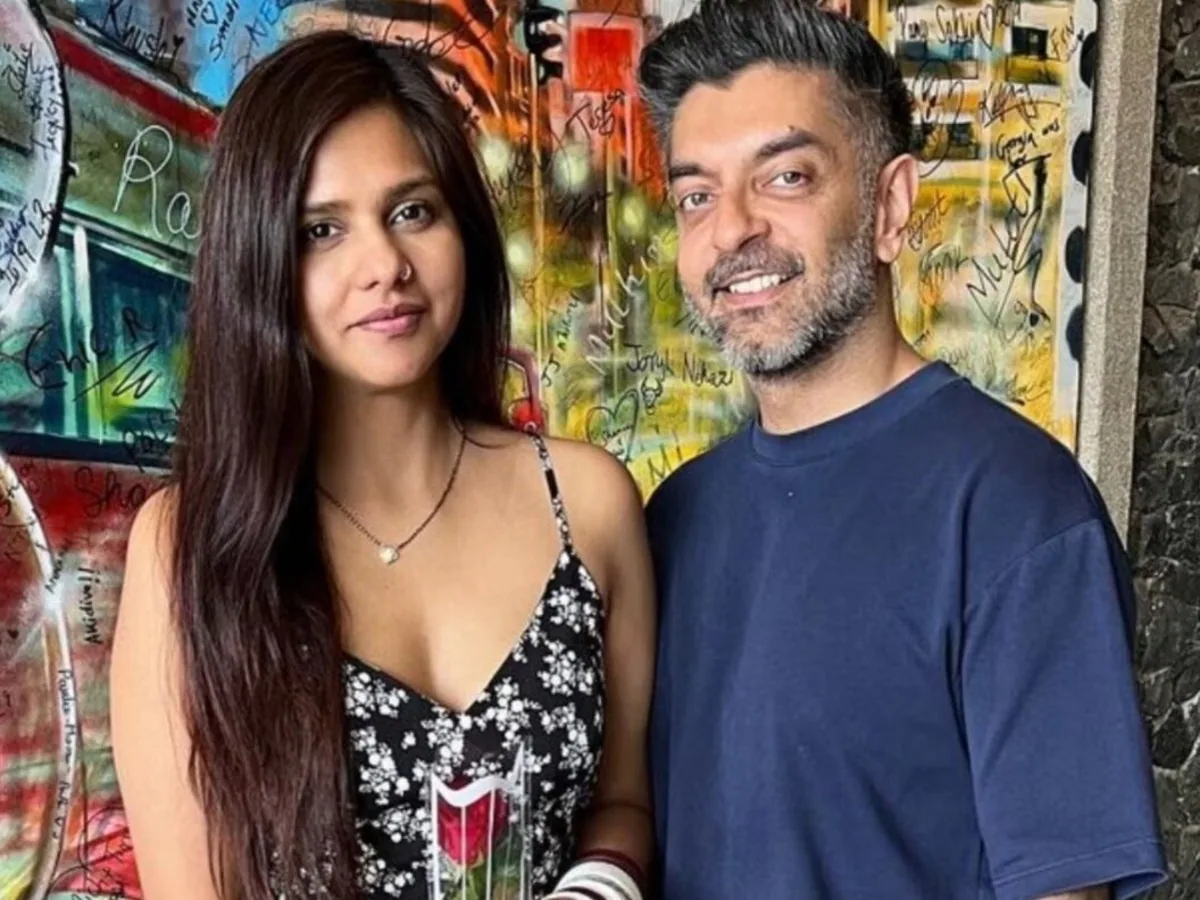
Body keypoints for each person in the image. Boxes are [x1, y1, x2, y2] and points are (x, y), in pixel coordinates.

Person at [637, 1, 1166, 898]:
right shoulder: (677, 516)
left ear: (890, 205)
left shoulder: (1015, 511)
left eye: (786, 177)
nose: (731, 230)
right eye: (697, 196)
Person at [110, 32, 654, 900]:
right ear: (261, 260)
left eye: (413, 212)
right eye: (322, 230)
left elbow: (623, 802)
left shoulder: (586, 503)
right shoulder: (185, 549)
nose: (385, 267)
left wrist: (596, 886)